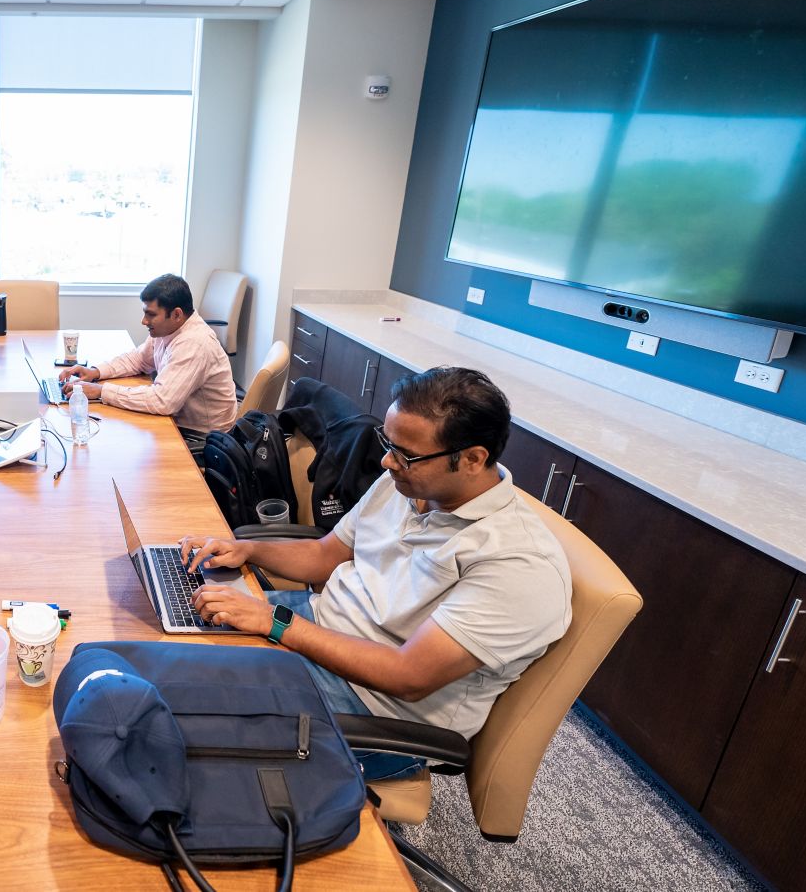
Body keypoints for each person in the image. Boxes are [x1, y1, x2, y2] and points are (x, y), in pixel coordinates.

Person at [181, 367, 572, 779]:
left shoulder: (518, 564)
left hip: (373, 708)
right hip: (316, 624)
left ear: (473, 459)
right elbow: (324, 554)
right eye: (389, 443)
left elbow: (408, 676)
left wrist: (274, 623)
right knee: (179, 632)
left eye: (405, 454)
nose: (387, 461)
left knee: (186, 718)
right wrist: (248, 550)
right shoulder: (407, 483)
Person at [56, 273, 237, 436]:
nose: (144, 321)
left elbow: (162, 401)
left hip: (204, 439)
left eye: (150, 315)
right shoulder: (169, 329)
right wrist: (95, 372)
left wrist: (101, 391)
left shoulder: (194, 343)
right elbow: (139, 359)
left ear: (176, 314)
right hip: (178, 422)